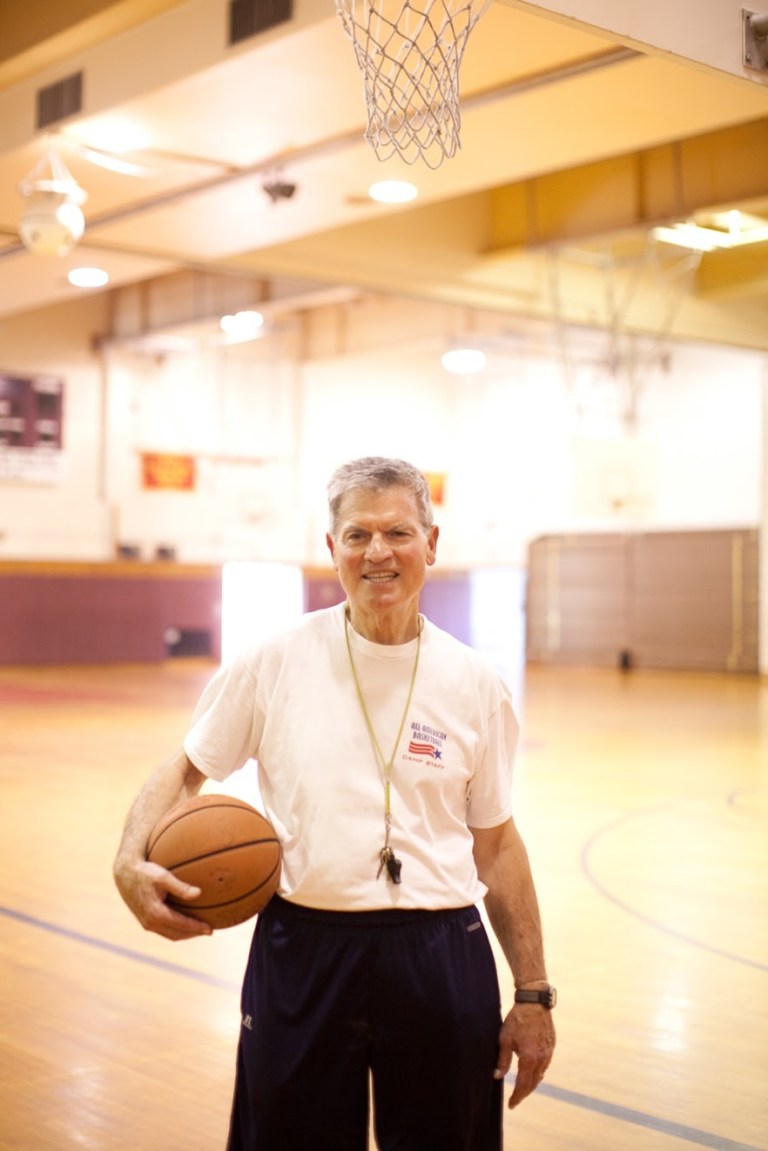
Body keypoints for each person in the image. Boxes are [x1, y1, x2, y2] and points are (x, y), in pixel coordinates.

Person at [113, 455, 556, 1151]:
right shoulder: (274, 660)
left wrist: (532, 991)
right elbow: (186, 768)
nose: (378, 551)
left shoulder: (475, 683)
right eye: (357, 535)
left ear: (431, 544)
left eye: (398, 532)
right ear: (332, 549)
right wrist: (127, 858)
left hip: (439, 952)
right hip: (303, 948)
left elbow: (496, 844)